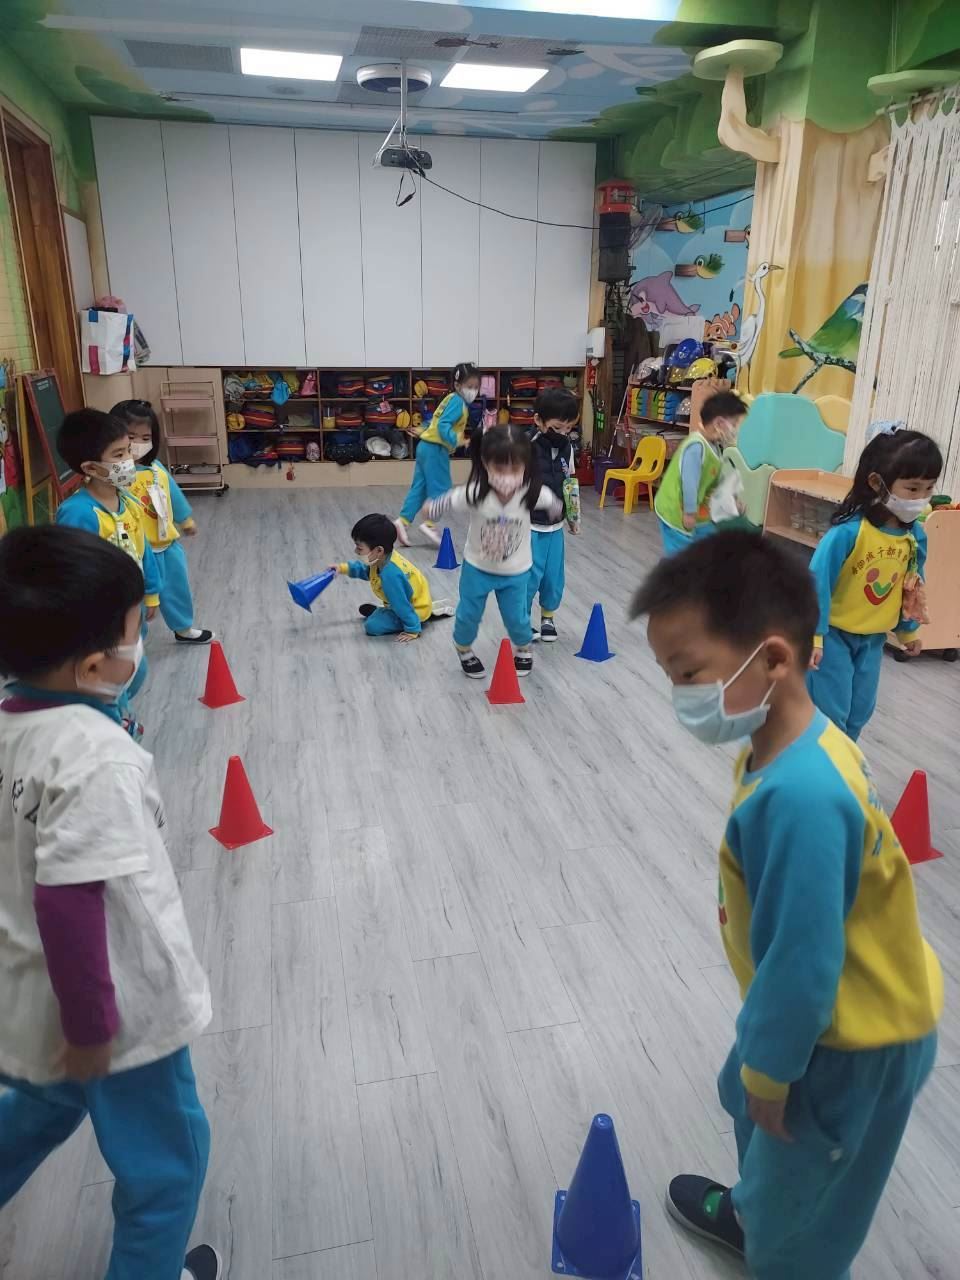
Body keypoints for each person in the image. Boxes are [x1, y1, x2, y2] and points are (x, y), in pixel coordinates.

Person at [632, 529, 940, 1280]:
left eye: (688, 674)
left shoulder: (803, 796)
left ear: (772, 658)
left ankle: (780, 1246)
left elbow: (805, 962)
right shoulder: (789, 739)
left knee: (804, 1214)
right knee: (747, 1102)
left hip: (851, 1038)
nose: (681, 697)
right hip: (819, 1008)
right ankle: (758, 1208)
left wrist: (774, 1072)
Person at [0, 525, 220, 1280]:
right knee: (168, 1168)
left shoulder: (16, 728)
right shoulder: (95, 761)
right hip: (115, 1016)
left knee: (36, 1113)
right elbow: (69, 902)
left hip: (28, 998)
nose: (141, 643)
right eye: (136, 631)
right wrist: (94, 1028)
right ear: (96, 666)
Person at [808, 422, 942, 741]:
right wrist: (814, 635)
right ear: (876, 483)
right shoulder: (848, 533)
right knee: (831, 710)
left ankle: (847, 760)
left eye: (929, 489)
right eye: (912, 489)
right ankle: (825, 765)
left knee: (860, 711)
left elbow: (912, 586)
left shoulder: (914, 537)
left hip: (873, 639)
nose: (921, 499)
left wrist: (908, 630)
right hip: (834, 636)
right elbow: (816, 583)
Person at [426, 424, 562, 679]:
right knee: (468, 615)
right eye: (500, 468)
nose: (507, 476)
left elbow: (552, 501)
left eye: (515, 469)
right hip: (477, 569)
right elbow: (451, 498)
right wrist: (433, 507)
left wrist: (557, 507)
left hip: (516, 572)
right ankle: (463, 648)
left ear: (526, 466)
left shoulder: (531, 492)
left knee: (517, 618)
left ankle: (523, 648)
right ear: (485, 464)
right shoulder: (476, 493)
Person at [56, 408, 160, 731]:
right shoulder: (79, 513)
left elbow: (144, 550)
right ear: (90, 468)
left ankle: (118, 712)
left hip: (132, 611)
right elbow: (71, 572)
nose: (129, 460)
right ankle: (116, 722)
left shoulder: (127, 501)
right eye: (118, 454)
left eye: (128, 450)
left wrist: (152, 592)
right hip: (102, 619)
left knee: (134, 670)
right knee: (111, 677)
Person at [112, 399, 214, 645]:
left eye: (145, 437)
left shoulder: (156, 468)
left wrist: (185, 520)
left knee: (177, 588)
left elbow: (173, 495)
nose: (138, 443)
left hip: (166, 544)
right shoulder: (117, 474)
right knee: (135, 599)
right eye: (131, 437)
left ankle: (183, 627)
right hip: (136, 552)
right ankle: (132, 641)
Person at [395, 362, 481, 549]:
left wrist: (422, 429)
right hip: (436, 449)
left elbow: (435, 420)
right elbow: (443, 426)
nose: (473, 391)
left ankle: (402, 522)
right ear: (457, 385)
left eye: (476, 386)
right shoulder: (458, 403)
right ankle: (429, 524)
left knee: (420, 488)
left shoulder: (449, 398)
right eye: (469, 386)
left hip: (425, 446)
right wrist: (458, 441)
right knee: (442, 490)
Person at [331, 513, 454, 641]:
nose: (356, 551)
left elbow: (401, 605)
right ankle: (381, 614)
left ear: (379, 550)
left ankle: (382, 615)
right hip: (405, 603)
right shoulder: (382, 557)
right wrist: (343, 568)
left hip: (413, 610)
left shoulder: (391, 576)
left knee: (371, 626)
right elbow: (367, 571)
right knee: (382, 616)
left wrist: (412, 629)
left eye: (359, 548)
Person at [654, 390, 748, 555]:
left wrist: (732, 500)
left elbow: (715, 481)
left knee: (709, 544)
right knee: (680, 554)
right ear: (719, 423)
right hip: (676, 510)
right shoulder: (696, 447)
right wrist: (689, 512)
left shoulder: (715, 446)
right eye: (734, 424)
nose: (735, 430)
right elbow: (689, 483)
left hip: (699, 513)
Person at [527, 386, 581, 642]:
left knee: (553, 577)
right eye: (557, 427)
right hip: (528, 527)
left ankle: (547, 618)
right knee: (528, 578)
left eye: (568, 428)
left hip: (555, 528)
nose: (563, 433)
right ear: (538, 420)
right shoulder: (525, 447)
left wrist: (573, 516)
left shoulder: (566, 448)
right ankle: (521, 620)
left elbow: (570, 483)